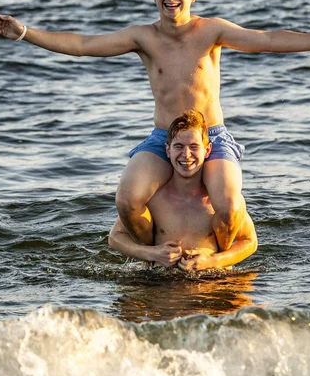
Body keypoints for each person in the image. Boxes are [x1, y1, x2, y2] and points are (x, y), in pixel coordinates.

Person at [0, 0, 310, 251]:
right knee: (127, 199)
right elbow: (83, 45)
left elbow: (269, 39)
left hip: (211, 137)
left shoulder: (212, 31)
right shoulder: (143, 37)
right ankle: (153, 253)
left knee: (226, 202)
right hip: (163, 138)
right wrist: (25, 33)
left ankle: (216, 256)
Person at [108, 110, 257, 271]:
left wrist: (213, 261)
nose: (186, 155)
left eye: (194, 147)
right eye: (179, 146)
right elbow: (115, 238)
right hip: (160, 284)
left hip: (211, 281)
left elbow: (250, 241)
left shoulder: (219, 201)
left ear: (207, 151)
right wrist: (152, 253)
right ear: (168, 150)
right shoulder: (153, 199)